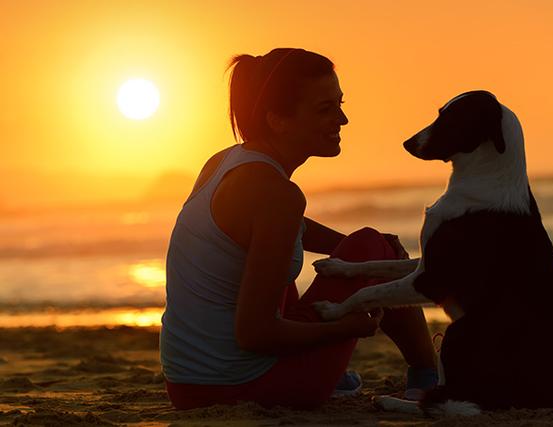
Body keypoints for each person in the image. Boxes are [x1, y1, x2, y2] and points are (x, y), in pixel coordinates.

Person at [159, 47, 439, 410]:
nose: (343, 119)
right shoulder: (277, 194)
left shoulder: (226, 162)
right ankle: (426, 375)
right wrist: (349, 328)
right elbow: (255, 334)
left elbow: (277, 227)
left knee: (360, 246)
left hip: (186, 386)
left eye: (340, 103)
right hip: (245, 388)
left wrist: (346, 246)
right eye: (325, 110)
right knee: (370, 243)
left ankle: (337, 371)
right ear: (277, 120)